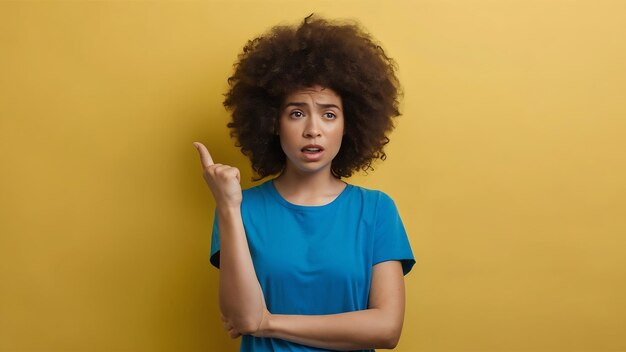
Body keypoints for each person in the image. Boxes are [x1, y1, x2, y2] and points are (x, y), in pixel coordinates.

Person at [193, 14, 415, 352]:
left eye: (329, 114)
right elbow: (242, 316)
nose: (313, 129)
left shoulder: (377, 210)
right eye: (297, 113)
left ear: (348, 124)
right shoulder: (240, 208)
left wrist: (270, 322)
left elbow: (386, 329)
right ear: (273, 123)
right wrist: (227, 205)